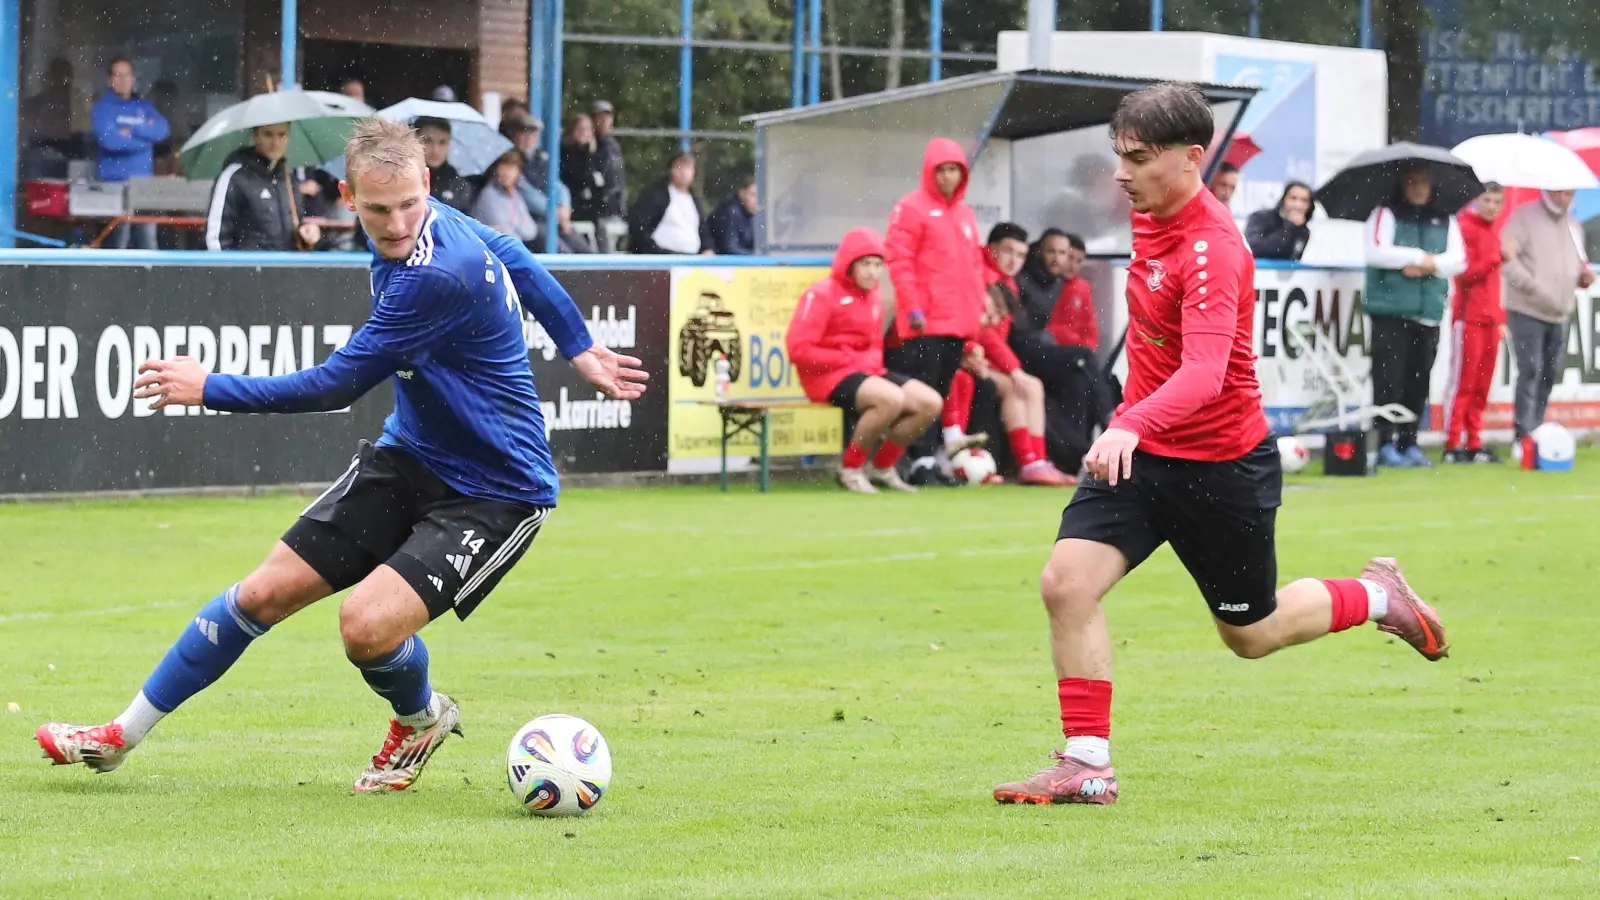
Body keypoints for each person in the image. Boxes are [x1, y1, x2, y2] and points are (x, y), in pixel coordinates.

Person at [36, 118, 647, 792]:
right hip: (410, 454)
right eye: (379, 209)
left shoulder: (435, 274)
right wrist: (578, 345)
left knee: (364, 627)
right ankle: (120, 735)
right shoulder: (435, 226)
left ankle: (418, 720)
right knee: (261, 593)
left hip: (497, 489)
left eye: (410, 204)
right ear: (348, 197)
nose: (398, 223)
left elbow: (333, 387)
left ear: (427, 184)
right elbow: (517, 257)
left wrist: (209, 387)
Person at [992, 82, 1449, 808]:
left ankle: (1374, 594)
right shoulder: (1150, 210)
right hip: (1143, 453)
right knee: (1066, 583)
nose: (1122, 172)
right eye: (1119, 155)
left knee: (1252, 634)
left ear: (1191, 157)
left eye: (1139, 157)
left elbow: (1206, 373)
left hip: (1219, 466)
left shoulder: (1213, 248)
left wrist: (1130, 422)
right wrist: (1134, 423)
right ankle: (1087, 763)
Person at [787, 227, 939, 494]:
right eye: (865, 264)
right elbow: (798, 349)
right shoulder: (821, 294)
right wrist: (845, 358)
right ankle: (850, 469)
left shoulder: (873, 298)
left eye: (878, 265)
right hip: (826, 376)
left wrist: (867, 364)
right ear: (849, 264)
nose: (872, 272)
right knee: (890, 399)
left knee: (929, 403)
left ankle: (881, 468)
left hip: (865, 372)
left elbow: (874, 345)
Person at [883, 137, 989, 486]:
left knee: (940, 392)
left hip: (956, 323)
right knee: (925, 393)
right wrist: (912, 307)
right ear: (929, 172)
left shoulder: (965, 214)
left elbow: (974, 268)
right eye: (941, 169)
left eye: (953, 170)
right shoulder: (911, 207)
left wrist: (976, 314)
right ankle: (919, 461)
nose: (947, 176)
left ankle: (930, 459)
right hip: (924, 322)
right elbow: (899, 261)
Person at [938, 223, 1075, 486]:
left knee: (1032, 386)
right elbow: (983, 331)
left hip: (986, 359)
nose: (1014, 261)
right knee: (1017, 386)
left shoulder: (1006, 282)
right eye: (1008, 251)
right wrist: (1011, 368)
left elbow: (995, 336)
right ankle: (1027, 462)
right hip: (966, 356)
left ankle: (1036, 461)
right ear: (992, 250)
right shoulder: (979, 277)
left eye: (1021, 255)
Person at [1363, 166, 1466, 468]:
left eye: (1424, 182)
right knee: (1388, 380)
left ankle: (1409, 441)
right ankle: (1384, 442)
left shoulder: (1445, 218)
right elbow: (1376, 251)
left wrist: (1427, 265)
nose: (1419, 188)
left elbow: (1459, 260)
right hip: (1391, 310)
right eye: (1413, 182)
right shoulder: (1385, 212)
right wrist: (1418, 256)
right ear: (1403, 185)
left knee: (1418, 382)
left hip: (1429, 311)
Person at [1500, 188, 1594, 454]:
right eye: (1561, 192)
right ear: (1549, 190)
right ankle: (1523, 436)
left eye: (1570, 193)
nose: (1565, 198)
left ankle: (1536, 430)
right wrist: (1533, 288)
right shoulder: (1524, 217)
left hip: (1559, 312)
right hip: (1527, 309)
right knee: (1530, 370)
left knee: (1549, 374)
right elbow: (1506, 259)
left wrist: (1582, 279)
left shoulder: (1573, 225)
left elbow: (1574, 267)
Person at [1443, 183, 1507, 464]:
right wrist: (1496, 258)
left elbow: (1494, 283)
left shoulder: (1493, 231)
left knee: (1482, 385)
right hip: (1468, 317)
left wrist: (1500, 317)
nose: (1492, 206)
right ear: (1476, 201)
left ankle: (1473, 441)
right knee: (1463, 382)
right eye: (1487, 200)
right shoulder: (1464, 228)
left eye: (1496, 202)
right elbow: (1464, 274)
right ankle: (1452, 442)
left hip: (1489, 319)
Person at [205, 122, 323, 252]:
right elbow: (216, 240)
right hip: (247, 264)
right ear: (254, 135)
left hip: (284, 264)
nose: (275, 143)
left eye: (282, 135)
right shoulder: (234, 177)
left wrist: (305, 232)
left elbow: (291, 228)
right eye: (268, 134)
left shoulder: (288, 179)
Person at [93, 58, 169, 250]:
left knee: (148, 246)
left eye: (126, 75)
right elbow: (110, 141)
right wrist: (145, 142)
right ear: (110, 80)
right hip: (114, 186)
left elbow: (162, 130)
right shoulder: (102, 108)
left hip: (143, 187)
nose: (123, 80)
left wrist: (133, 130)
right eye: (117, 75)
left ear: (133, 79)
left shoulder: (144, 107)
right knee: (118, 246)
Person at [628, 152, 710, 255]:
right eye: (679, 166)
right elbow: (638, 226)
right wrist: (655, 252)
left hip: (692, 259)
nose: (683, 172)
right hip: (661, 259)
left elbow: (703, 231)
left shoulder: (695, 200)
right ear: (671, 170)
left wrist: (708, 249)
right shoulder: (655, 195)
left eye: (688, 167)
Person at [471, 150, 541, 247]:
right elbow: (507, 234)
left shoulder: (516, 195)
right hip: (489, 248)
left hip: (509, 247)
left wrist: (513, 225)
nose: (506, 173)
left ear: (518, 172)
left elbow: (531, 231)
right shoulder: (488, 194)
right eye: (503, 168)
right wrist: (520, 223)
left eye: (510, 169)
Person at [416, 117, 476, 214]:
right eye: (428, 141)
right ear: (415, 141)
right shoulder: (404, 180)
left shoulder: (460, 186)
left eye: (442, 142)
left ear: (449, 144)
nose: (435, 150)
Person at [1245, 181, 1314, 261]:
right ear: (1284, 199)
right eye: (1293, 198)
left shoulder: (1304, 231)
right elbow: (1253, 249)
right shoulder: (1261, 217)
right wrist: (1289, 227)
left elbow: (1293, 259)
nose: (1298, 205)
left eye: (1304, 200)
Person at [559, 113, 606, 226]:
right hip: (572, 204)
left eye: (587, 129)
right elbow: (574, 178)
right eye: (579, 129)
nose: (583, 132)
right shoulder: (565, 152)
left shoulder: (594, 154)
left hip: (592, 206)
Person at [591, 100, 628, 221]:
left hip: (615, 205)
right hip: (599, 207)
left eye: (608, 117)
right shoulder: (590, 144)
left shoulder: (613, 145)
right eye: (600, 117)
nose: (604, 121)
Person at [707, 175, 758, 255]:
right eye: (753, 195)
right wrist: (756, 255)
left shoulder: (756, 215)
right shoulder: (731, 212)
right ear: (742, 193)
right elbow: (731, 248)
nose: (757, 200)